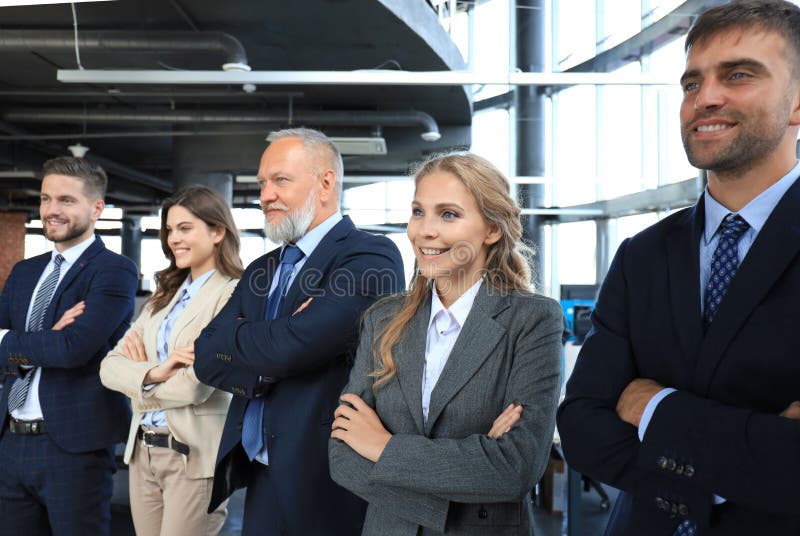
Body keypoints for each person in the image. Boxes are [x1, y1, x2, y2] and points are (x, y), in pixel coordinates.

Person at [557, 1, 800, 534]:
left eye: (738, 75)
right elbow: (580, 427)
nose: (705, 98)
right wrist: (752, 451)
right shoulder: (642, 255)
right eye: (692, 84)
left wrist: (654, 408)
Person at [328, 153, 563, 535]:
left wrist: (382, 446)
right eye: (418, 212)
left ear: (492, 230)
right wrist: (469, 471)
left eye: (448, 215)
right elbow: (342, 456)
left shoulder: (533, 321)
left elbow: (515, 468)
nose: (425, 231)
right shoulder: (383, 319)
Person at [194, 127, 405, 535]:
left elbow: (292, 348)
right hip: (260, 472)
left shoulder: (369, 255)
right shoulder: (262, 268)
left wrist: (249, 340)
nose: (265, 194)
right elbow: (206, 355)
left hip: (325, 478)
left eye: (280, 180)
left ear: (325, 183)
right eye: (262, 183)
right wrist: (275, 340)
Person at [0, 156, 137, 534]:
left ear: (97, 209)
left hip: (74, 449)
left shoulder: (113, 270)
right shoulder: (25, 272)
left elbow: (73, 349)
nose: (51, 211)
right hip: (10, 441)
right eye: (45, 199)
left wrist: (17, 343)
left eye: (65, 201)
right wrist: (47, 338)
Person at [99, 186, 242, 536]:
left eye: (185, 228)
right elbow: (108, 366)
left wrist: (137, 389)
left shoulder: (234, 294)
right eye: (169, 229)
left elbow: (196, 386)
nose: (173, 238)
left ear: (218, 231)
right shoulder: (164, 296)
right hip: (143, 451)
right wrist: (156, 370)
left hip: (192, 457)